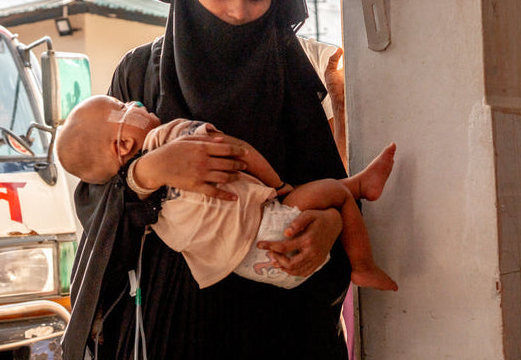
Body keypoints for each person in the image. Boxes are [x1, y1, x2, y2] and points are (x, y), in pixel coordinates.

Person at [61, 0, 364, 360]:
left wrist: (327, 225)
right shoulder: (139, 74)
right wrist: (152, 171)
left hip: (273, 328)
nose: (236, 12)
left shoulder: (293, 83)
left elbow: (325, 184)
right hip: (169, 337)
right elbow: (95, 194)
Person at [57, 94, 398, 291]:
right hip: (272, 232)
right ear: (124, 142)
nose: (141, 105)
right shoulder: (170, 135)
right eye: (129, 105)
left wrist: (330, 226)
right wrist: (278, 187)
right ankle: (362, 246)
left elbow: (121, 225)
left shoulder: (145, 206)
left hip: (253, 267)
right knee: (337, 194)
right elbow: (240, 152)